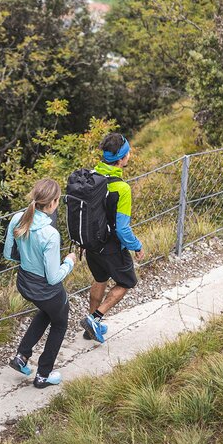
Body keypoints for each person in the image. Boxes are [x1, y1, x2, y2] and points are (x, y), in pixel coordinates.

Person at [4, 178, 77, 388]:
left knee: (47, 312)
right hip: (46, 290)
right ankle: (43, 375)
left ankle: (22, 356)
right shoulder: (50, 234)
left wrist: (29, 259)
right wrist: (69, 262)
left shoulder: (18, 218)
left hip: (25, 283)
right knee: (60, 322)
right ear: (53, 203)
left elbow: (9, 254)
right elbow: (53, 277)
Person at [81, 132, 143, 343]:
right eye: (128, 152)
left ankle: (91, 325)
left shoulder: (91, 176)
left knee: (100, 278)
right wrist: (137, 245)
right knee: (127, 282)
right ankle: (95, 318)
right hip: (111, 247)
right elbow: (123, 230)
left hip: (91, 243)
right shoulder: (122, 188)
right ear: (122, 158)